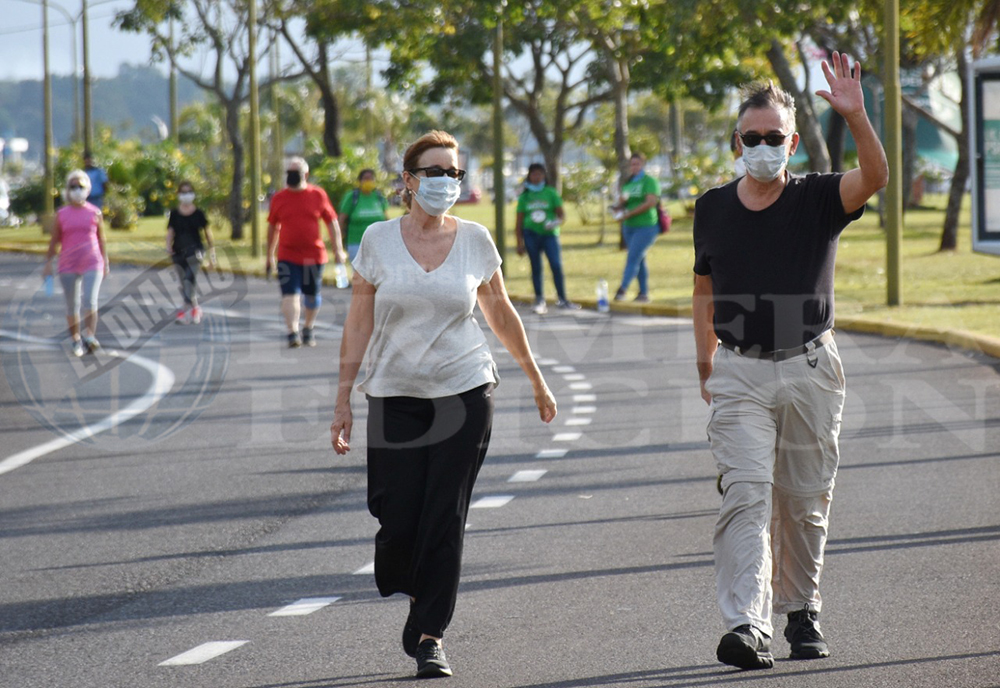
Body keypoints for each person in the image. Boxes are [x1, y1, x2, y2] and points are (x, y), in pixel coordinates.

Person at [330, 130, 557, 679]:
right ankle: (415, 595)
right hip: (394, 395)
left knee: (445, 514)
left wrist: (536, 378)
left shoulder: (476, 239)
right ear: (408, 181)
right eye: (434, 173)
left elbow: (499, 311)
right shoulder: (378, 240)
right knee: (399, 517)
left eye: (453, 173)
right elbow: (359, 319)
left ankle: (431, 633)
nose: (446, 182)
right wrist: (343, 398)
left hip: (465, 390)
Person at [692, 54, 888, 671]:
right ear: (735, 142)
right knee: (746, 496)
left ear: (793, 142)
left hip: (809, 369)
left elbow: (877, 176)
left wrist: (855, 116)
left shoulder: (821, 197)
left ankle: (802, 610)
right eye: (751, 138)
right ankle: (748, 626)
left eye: (774, 137)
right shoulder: (712, 207)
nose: (762, 146)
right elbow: (703, 291)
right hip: (740, 373)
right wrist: (706, 368)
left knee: (804, 500)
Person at [265, 156, 347, 348]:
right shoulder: (279, 198)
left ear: (306, 174)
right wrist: (270, 255)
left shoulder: (317, 195)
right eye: (290, 173)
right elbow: (272, 227)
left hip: (313, 256)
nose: (292, 176)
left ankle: (308, 327)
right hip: (287, 256)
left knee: (311, 295)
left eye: (297, 172)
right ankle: (292, 332)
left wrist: (338, 250)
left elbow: (332, 222)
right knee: (290, 294)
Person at [43, 170, 109, 357]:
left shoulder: (94, 212)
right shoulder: (62, 214)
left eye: (80, 186)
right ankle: (75, 339)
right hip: (68, 264)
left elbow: (101, 238)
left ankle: (90, 336)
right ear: (67, 190)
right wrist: (48, 263)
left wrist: (105, 261)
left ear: (87, 189)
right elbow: (55, 240)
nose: (77, 190)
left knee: (90, 300)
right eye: (73, 187)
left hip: (92, 261)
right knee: (72, 304)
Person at [515, 162, 578, 314]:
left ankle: (562, 298)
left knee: (556, 265)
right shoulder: (525, 196)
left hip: (549, 234)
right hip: (531, 234)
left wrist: (555, 222)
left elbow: (561, 215)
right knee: (536, 267)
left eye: (539, 174)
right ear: (529, 176)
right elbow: (519, 221)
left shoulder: (551, 193)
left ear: (544, 176)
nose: (537, 177)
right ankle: (539, 299)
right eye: (534, 174)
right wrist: (519, 242)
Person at [613, 152, 661, 303]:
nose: (634, 167)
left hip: (646, 226)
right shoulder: (628, 183)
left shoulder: (649, 181)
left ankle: (622, 289)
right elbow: (623, 201)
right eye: (632, 164)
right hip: (629, 226)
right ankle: (643, 293)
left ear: (643, 165)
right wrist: (618, 208)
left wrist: (629, 213)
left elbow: (650, 202)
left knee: (633, 256)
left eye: (637, 164)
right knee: (639, 259)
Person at [166, 181, 215, 324]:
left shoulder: (198, 213)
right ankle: (195, 309)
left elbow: (207, 233)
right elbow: (170, 232)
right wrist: (168, 246)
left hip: (195, 252)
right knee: (185, 284)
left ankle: (184, 311)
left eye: (189, 192)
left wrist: (212, 254)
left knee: (189, 280)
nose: (186, 195)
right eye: (183, 192)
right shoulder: (175, 214)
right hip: (178, 252)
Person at [338, 168, 389, 264]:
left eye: (371, 178)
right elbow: (341, 220)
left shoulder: (379, 197)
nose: (368, 181)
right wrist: (339, 243)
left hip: (378, 243)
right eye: (366, 178)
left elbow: (386, 218)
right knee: (360, 276)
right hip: (356, 243)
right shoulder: (352, 197)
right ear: (360, 181)